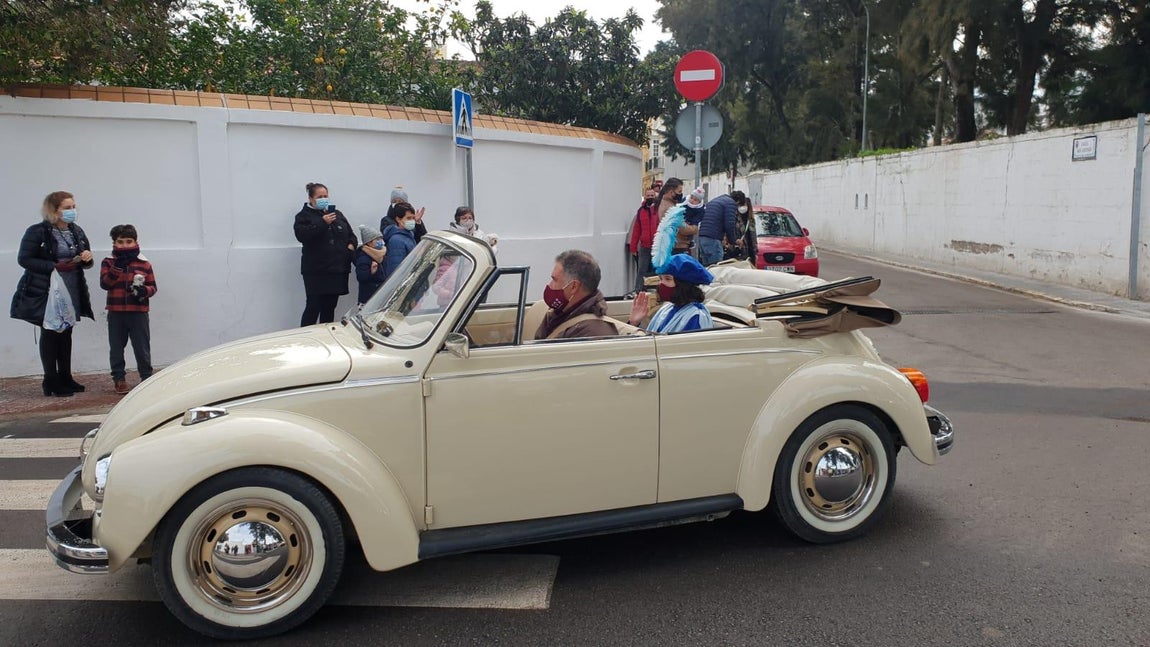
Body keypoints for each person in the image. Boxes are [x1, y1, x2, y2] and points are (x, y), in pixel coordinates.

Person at [13, 191, 95, 397]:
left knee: (66, 332)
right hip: (47, 289)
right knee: (50, 332)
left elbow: (87, 259)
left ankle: (65, 376)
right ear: (54, 210)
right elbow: (25, 259)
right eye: (67, 208)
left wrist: (86, 258)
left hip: (71, 287)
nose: (72, 211)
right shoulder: (37, 232)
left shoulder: (76, 231)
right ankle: (50, 380)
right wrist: (53, 266)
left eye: (73, 206)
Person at [99, 224, 157, 394]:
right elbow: (105, 284)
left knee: (142, 346)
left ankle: (146, 377)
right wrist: (117, 267)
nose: (124, 245)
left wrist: (143, 291)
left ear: (136, 242)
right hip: (116, 311)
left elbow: (153, 286)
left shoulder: (144, 263)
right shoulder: (108, 262)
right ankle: (119, 378)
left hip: (138, 311)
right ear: (114, 243)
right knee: (116, 346)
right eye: (120, 242)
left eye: (128, 241)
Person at [294, 182, 358, 326]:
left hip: (336, 270)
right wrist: (322, 222)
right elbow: (302, 235)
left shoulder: (337, 214)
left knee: (329, 308)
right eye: (319, 196)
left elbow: (351, 235)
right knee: (313, 307)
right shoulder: (303, 216)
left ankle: (326, 336)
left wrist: (350, 248)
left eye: (326, 196)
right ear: (310, 199)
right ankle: (306, 337)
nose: (323, 199)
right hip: (316, 272)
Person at [535, 250, 618, 340]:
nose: (550, 285)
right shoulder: (558, 314)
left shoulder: (593, 333)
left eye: (554, 280)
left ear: (573, 286)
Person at [627, 254, 714, 333]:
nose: (661, 284)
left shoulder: (695, 316)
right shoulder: (666, 308)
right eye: (660, 279)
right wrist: (634, 323)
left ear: (683, 284)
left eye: (668, 279)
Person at [698, 190, 749, 266]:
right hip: (713, 238)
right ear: (738, 201)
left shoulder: (717, 200)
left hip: (702, 237)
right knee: (717, 267)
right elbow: (729, 225)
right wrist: (734, 241)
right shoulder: (731, 203)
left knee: (707, 268)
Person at [628, 187, 659, 293]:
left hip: (657, 247)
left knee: (657, 270)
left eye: (652, 196)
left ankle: (657, 291)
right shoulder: (641, 211)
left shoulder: (658, 210)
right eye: (648, 196)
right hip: (644, 246)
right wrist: (633, 247)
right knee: (641, 270)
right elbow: (636, 230)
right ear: (645, 197)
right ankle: (638, 291)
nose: (650, 197)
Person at [382, 201, 418, 279]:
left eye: (413, 218)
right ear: (398, 219)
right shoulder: (396, 241)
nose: (412, 221)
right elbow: (395, 271)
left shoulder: (409, 235)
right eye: (408, 218)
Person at [354, 224, 386, 305]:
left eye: (381, 238)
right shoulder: (363, 258)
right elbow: (361, 277)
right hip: (368, 298)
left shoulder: (379, 255)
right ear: (369, 243)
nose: (381, 241)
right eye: (377, 239)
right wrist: (371, 272)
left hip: (378, 295)